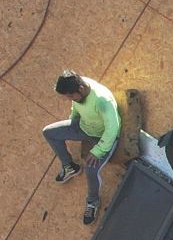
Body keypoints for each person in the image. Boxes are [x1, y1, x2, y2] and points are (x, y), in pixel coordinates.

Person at [43, 71, 124, 224]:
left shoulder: (102, 100)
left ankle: (92, 201)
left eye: (70, 96)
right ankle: (70, 167)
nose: (69, 100)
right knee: (49, 132)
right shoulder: (79, 89)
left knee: (91, 169)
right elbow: (76, 106)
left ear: (80, 88)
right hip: (84, 127)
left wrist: (98, 150)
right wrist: (72, 121)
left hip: (104, 137)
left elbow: (113, 129)